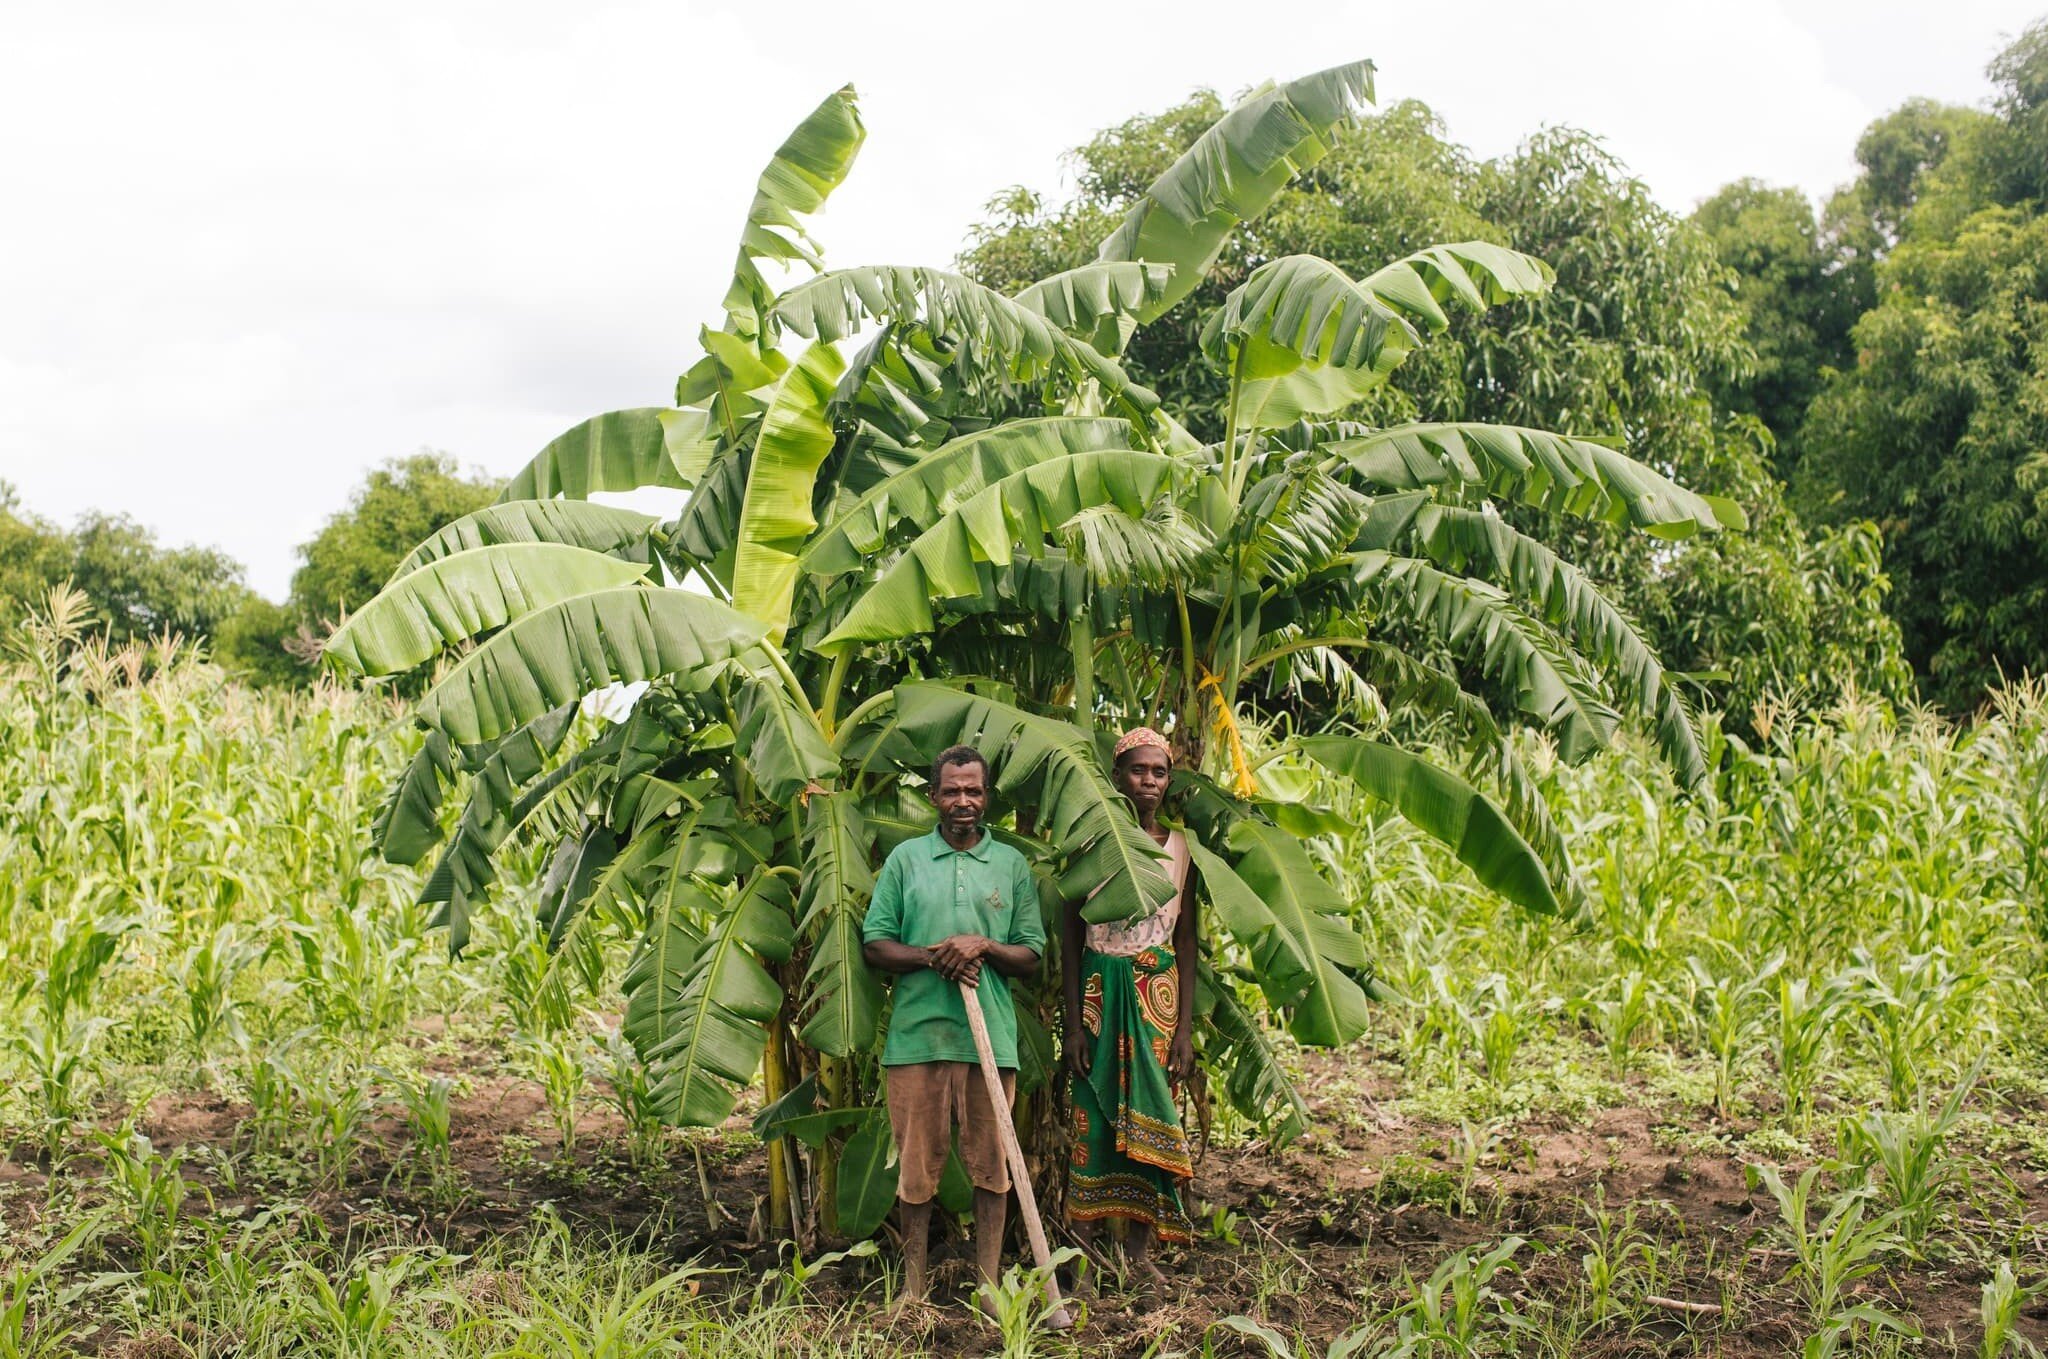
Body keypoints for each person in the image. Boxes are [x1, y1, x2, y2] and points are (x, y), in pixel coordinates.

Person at [861, 744, 1048, 1316]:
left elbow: (1033, 953)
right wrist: (933, 956)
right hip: (918, 1037)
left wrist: (984, 946)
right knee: (917, 1169)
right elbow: (875, 944)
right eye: (952, 790)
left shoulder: (1011, 865)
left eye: (973, 790)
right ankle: (913, 1290)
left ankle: (989, 1289)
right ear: (933, 796)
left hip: (989, 1038)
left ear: (986, 797)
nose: (963, 801)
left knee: (994, 1166)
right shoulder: (906, 860)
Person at [1063, 725, 1197, 1303]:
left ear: (1168, 780)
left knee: (1151, 1109)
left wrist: (1185, 1027)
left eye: (1159, 772)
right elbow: (1070, 933)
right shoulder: (1092, 841)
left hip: (1153, 992)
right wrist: (1072, 1023)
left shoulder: (1180, 848)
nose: (1148, 781)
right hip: (1100, 983)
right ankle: (1085, 1259)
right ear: (1118, 776)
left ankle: (1140, 1256)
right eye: (1138, 770)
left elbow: (1188, 939)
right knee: (1091, 1119)